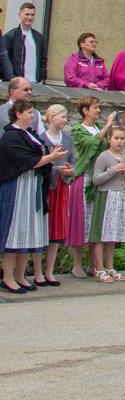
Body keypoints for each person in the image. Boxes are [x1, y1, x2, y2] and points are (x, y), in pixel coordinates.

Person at [1, 99, 65, 292]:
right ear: (18, 114)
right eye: (29, 112)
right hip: (17, 187)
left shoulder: (28, 134)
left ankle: (20, 275)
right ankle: (8, 277)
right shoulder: (11, 136)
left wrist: (50, 157)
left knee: (26, 230)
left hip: (32, 186)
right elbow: (26, 161)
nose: (33, 115)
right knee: (15, 231)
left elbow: (38, 156)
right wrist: (50, 158)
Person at [68, 95, 114, 277]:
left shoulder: (96, 128)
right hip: (84, 177)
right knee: (81, 221)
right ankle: (76, 264)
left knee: (94, 222)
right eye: (96, 107)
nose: (99, 111)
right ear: (85, 110)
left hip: (98, 179)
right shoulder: (78, 129)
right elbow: (91, 144)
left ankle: (94, 263)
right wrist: (107, 126)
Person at [89, 124, 125, 281]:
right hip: (106, 197)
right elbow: (96, 179)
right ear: (109, 139)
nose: (119, 141)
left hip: (120, 197)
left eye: (122, 138)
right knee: (101, 233)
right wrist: (113, 170)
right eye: (116, 138)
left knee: (112, 234)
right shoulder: (104, 157)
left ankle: (110, 266)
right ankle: (99, 268)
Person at [39, 103, 76, 286]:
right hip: (46, 188)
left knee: (56, 231)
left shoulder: (67, 139)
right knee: (42, 229)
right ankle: (38, 272)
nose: (65, 120)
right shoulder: (41, 139)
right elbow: (38, 165)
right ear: (52, 116)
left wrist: (70, 169)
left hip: (62, 188)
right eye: (62, 116)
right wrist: (56, 169)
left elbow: (73, 161)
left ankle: (49, 271)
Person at [1, 2, 47, 85]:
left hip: (35, 83)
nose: (30, 17)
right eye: (27, 14)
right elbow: (4, 60)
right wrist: (11, 79)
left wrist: (42, 78)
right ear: (20, 15)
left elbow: (43, 60)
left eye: (32, 15)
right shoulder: (10, 36)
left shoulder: (39, 38)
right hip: (16, 83)